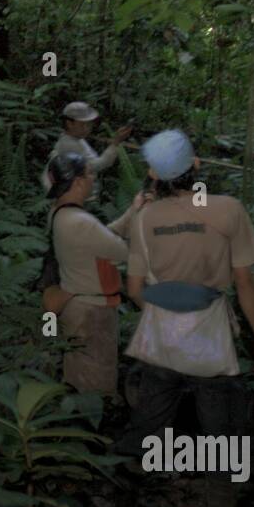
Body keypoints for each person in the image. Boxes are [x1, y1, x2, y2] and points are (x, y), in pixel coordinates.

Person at [117, 129, 254, 507]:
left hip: (160, 342)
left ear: (152, 174)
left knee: (145, 431)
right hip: (210, 344)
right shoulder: (227, 210)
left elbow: (133, 289)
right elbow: (245, 283)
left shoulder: (144, 218)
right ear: (197, 166)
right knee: (219, 440)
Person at [45, 152, 150, 398]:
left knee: (78, 374)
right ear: (79, 182)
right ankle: (91, 430)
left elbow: (102, 237)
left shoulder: (61, 213)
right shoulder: (81, 222)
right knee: (96, 383)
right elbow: (125, 251)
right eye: (90, 174)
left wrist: (134, 210)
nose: (93, 178)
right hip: (93, 312)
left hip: (75, 304)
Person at [41, 101, 134, 207]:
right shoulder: (69, 144)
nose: (87, 128)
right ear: (69, 123)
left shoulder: (76, 139)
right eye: (83, 124)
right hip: (78, 200)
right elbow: (96, 165)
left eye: (89, 124)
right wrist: (116, 142)